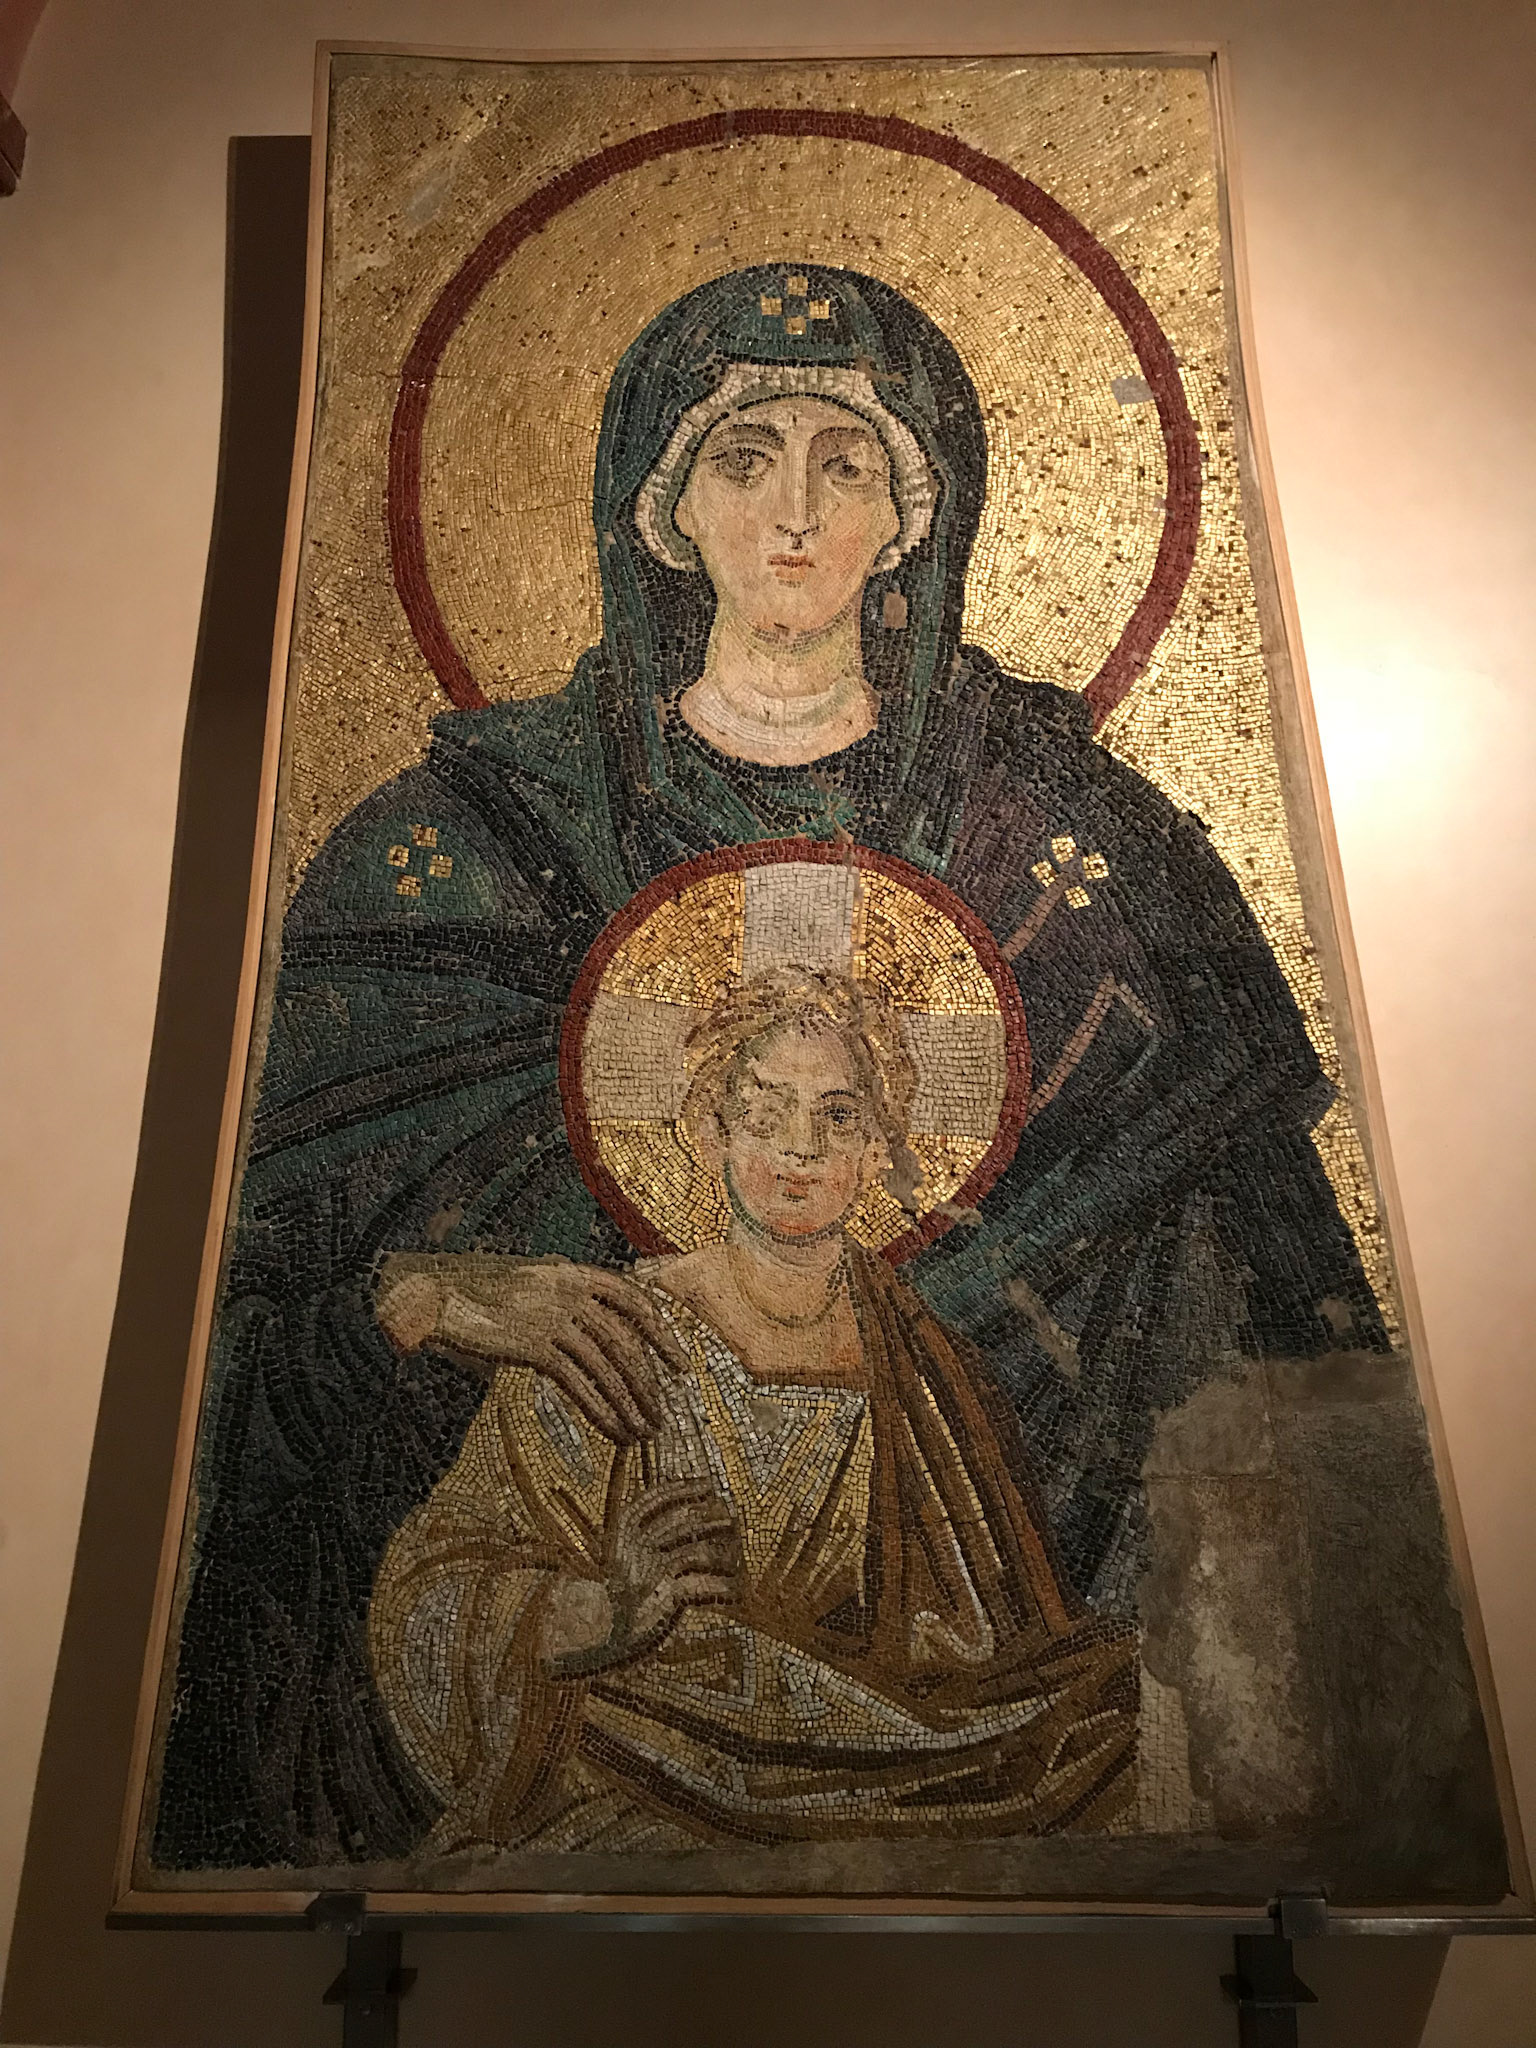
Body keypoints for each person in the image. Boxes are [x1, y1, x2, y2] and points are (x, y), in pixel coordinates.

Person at [153, 263, 1385, 1869]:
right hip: (602, 1673)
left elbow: (1265, 1293)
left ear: (916, 514)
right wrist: (432, 1293)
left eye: (846, 461)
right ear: (660, 506)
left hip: (995, 1657)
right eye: (743, 455)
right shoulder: (468, 847)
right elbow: (251, 1328)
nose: (795, 513)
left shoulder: (1078, 841)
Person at [369, 970, 1137, 1849]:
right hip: (645, 1772)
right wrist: (605, 1611)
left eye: (839, 1116)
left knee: (1113, 1727)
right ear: (711, 1131)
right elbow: (433, 1598)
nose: (801, 1148)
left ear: (880, 1148)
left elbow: (995, 1647)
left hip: (904, 1759)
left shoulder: (933, 1374)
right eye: (765, 1112)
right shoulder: (604, 1334)